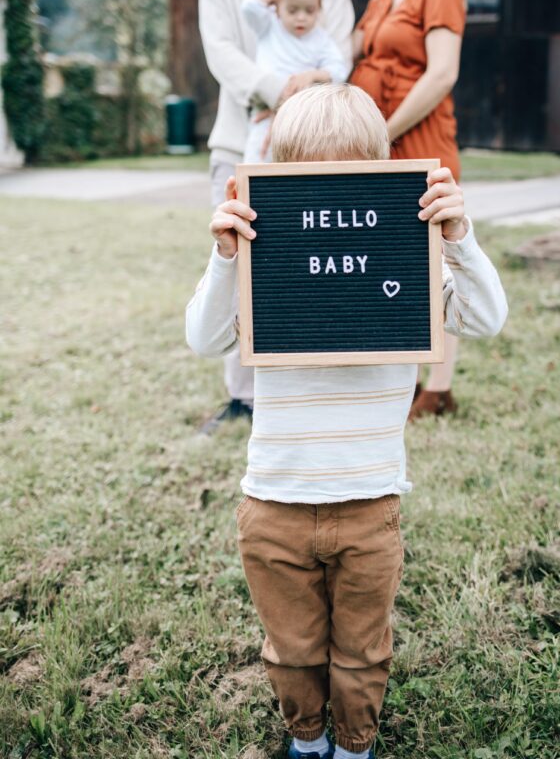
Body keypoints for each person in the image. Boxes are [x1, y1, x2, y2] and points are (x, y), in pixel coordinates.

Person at [186, 84, 507, 759]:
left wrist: (458, 240)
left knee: (362, 648)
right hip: (275, 500)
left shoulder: (407, 256)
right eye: (306, 182)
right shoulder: (263, 254)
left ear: (380, 171)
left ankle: (354, 744)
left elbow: (484, 319)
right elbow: (204, 338)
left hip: (369, 504)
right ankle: (306, 739)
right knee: (293, 647)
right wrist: (223, 260)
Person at [198, 0, 355, 423]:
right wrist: (282, 86)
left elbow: (340, 58)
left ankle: (303, 392)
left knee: (303, 268)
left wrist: (301, 95)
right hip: (239, 143)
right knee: (241, 266)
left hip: (313, 149)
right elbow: (222, 54)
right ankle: (242, 399)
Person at [350, 0, 467, 420]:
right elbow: (350, 48)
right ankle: (406, 377)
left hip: (416, 135)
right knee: (394, 256)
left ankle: (440, 389)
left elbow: (442, 73)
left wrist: (387, 129)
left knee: (435, 256)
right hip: (379, 138)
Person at [242, 0, 350, 163]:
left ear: (318, 7)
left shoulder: (320, 38)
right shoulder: (269, 26)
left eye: (309, 10)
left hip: (303, 116)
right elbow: (249, 6)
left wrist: (313, 75)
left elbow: (339, 70)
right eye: (292, 10)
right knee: (259, 156)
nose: (301, 17)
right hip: (266, 109)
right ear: (277, 7)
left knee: (297, 162)